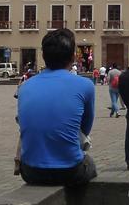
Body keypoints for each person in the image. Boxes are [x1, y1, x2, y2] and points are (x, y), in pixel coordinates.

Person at [16, 28, 97, 186]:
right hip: (71, 170)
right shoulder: (85, 85)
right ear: (73, 57)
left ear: (43, 56)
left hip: (30, 171)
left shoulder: (24, 87)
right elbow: (85, 130)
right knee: (89, 164)